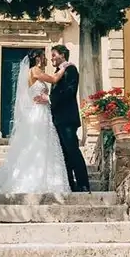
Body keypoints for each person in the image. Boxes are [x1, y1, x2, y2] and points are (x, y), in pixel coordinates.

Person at [0, 49, 71, 194]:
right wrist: (64, 67)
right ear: (37, 58)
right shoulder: (35, 70)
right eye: (43, 57)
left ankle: (47, 177)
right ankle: (38, 178)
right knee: (40, 143)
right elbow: (54, 79)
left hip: (42, 111)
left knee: (43, 144)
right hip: (39, 113)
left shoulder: (32, 72)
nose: (46, 59)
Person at [44, 44, 90, 193]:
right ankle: (70, 184)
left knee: (73, 151)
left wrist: (50, 98)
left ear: (62, 55)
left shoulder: (70, 69)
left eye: (54, 55)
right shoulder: (57, 72)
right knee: (64, 153)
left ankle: (83, 184)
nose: (52, 58)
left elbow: (70, 91)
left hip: (67, 118)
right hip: (58, 119)